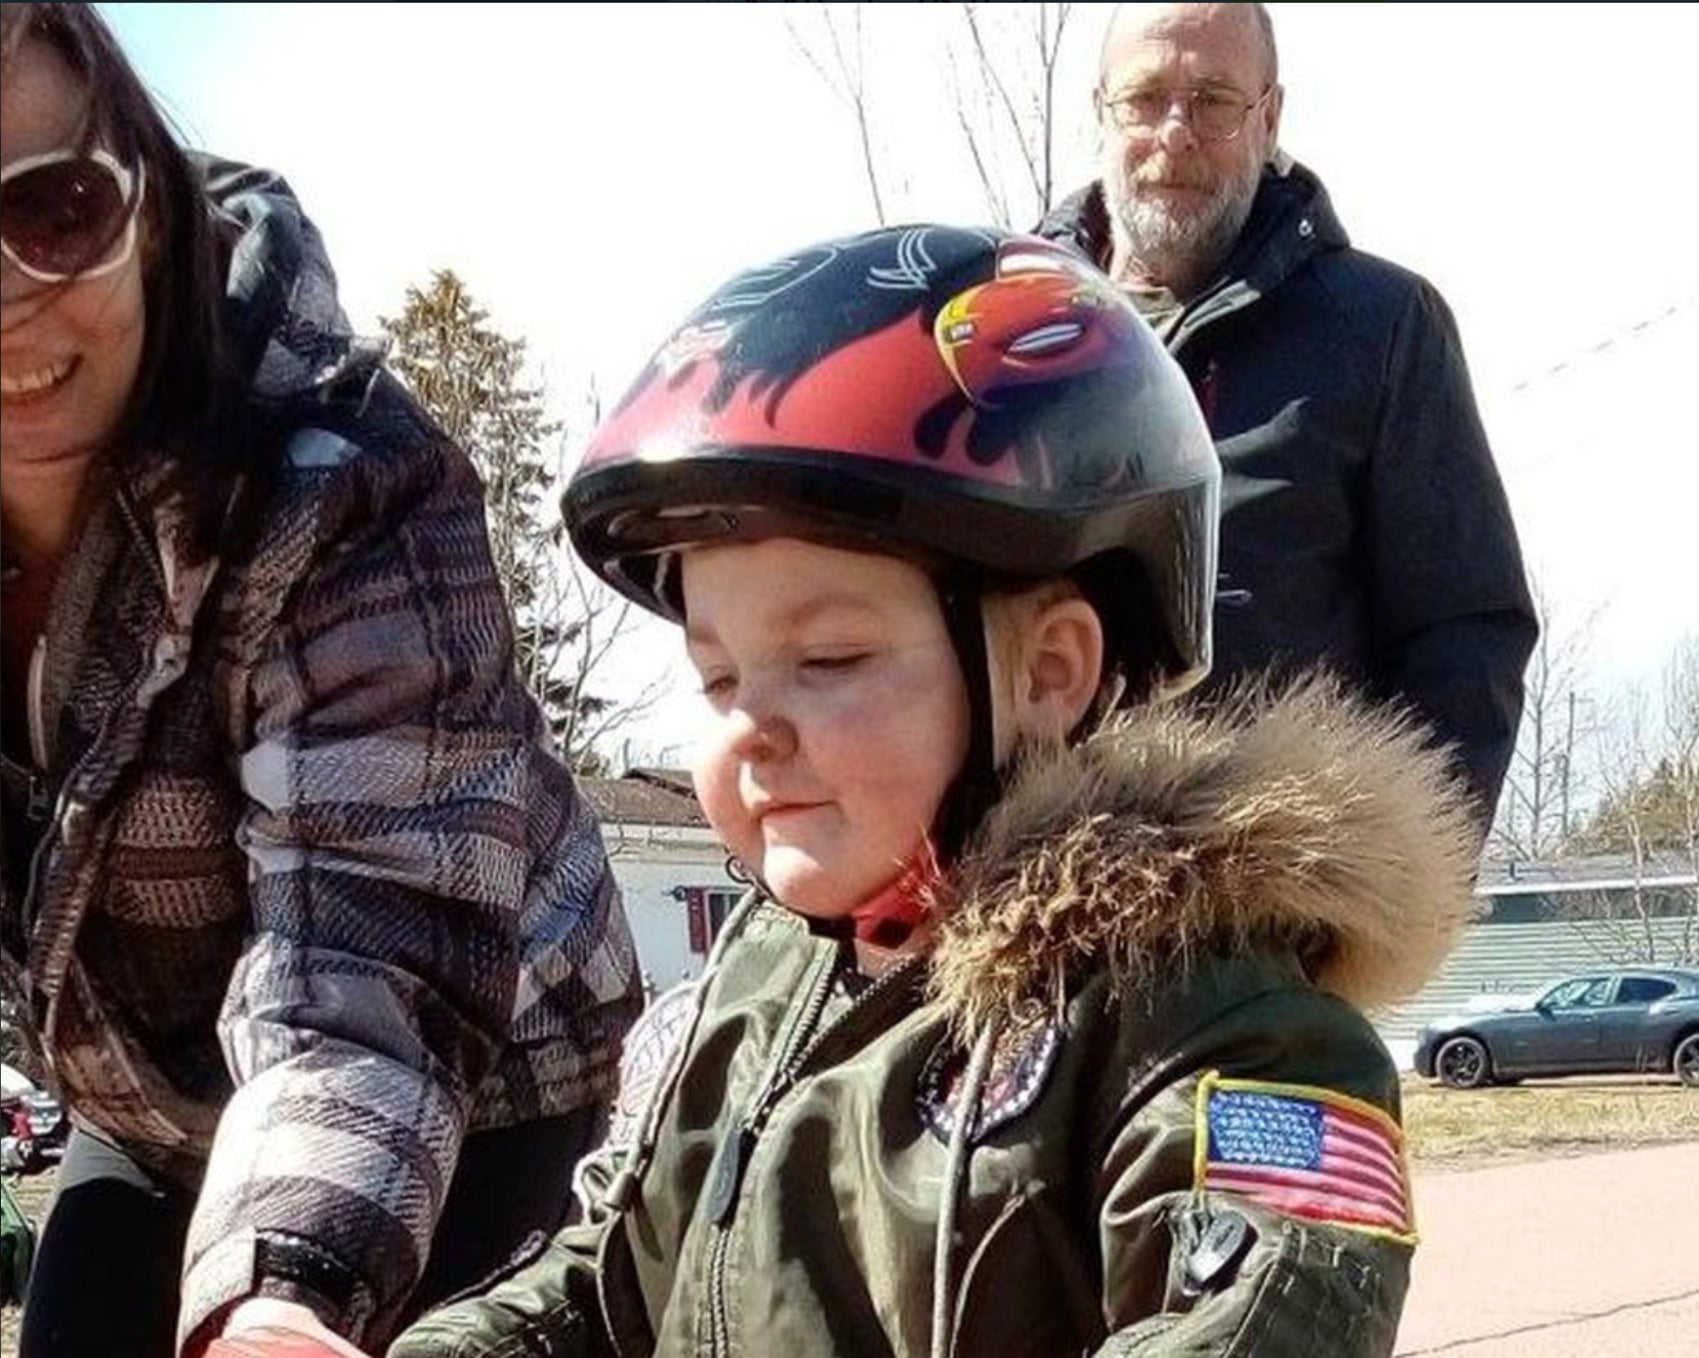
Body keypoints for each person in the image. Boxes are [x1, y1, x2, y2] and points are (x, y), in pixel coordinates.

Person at [386, 224, 1478, 1358]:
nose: (752, 728)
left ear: (1049, 673)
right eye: (718, 675)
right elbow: (610, 1284)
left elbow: (1257, 1312)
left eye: (830, 662)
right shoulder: (748, 994)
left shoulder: (1209, 1013)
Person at [0, 6, 641, 1356]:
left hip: (472, 1077)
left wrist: (277, 1288)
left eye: (51, 211)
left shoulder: (348, 479)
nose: (6, 296)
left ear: (153, 210)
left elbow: (368, 958)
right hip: (152, 1100)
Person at [1037, 2, 1537, 822]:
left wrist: (1370, 914)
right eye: (1145, 97)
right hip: (1016, 898)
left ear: (1269, 118)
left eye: (1213, 100)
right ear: (1100, 110)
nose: (1175, 131)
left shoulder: (1380, 330)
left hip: (1260, 910)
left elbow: (1465, 641)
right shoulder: (1008, 328)